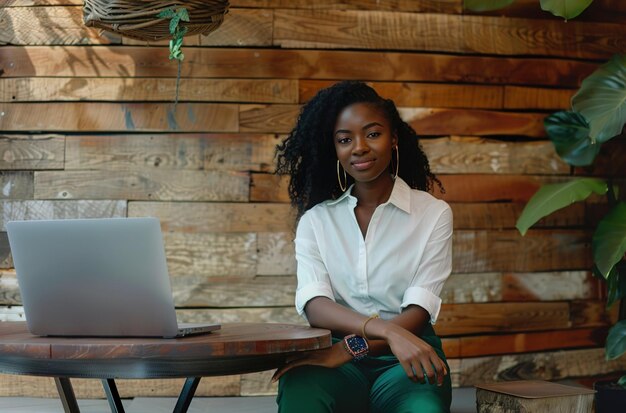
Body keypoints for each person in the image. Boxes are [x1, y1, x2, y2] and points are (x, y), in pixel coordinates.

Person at [273, 81, 453, 413]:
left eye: (372, 134)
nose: (359, 147)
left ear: (394, 138)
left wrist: (351, 347)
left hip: (407, 354)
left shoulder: (432, 214)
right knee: (301, 393)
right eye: (345, 139)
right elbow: (316, 306)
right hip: (334, 359)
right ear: (336, 149)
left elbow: (418, 313)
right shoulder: (316, 221)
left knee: (423, 409)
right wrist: (370, 337)